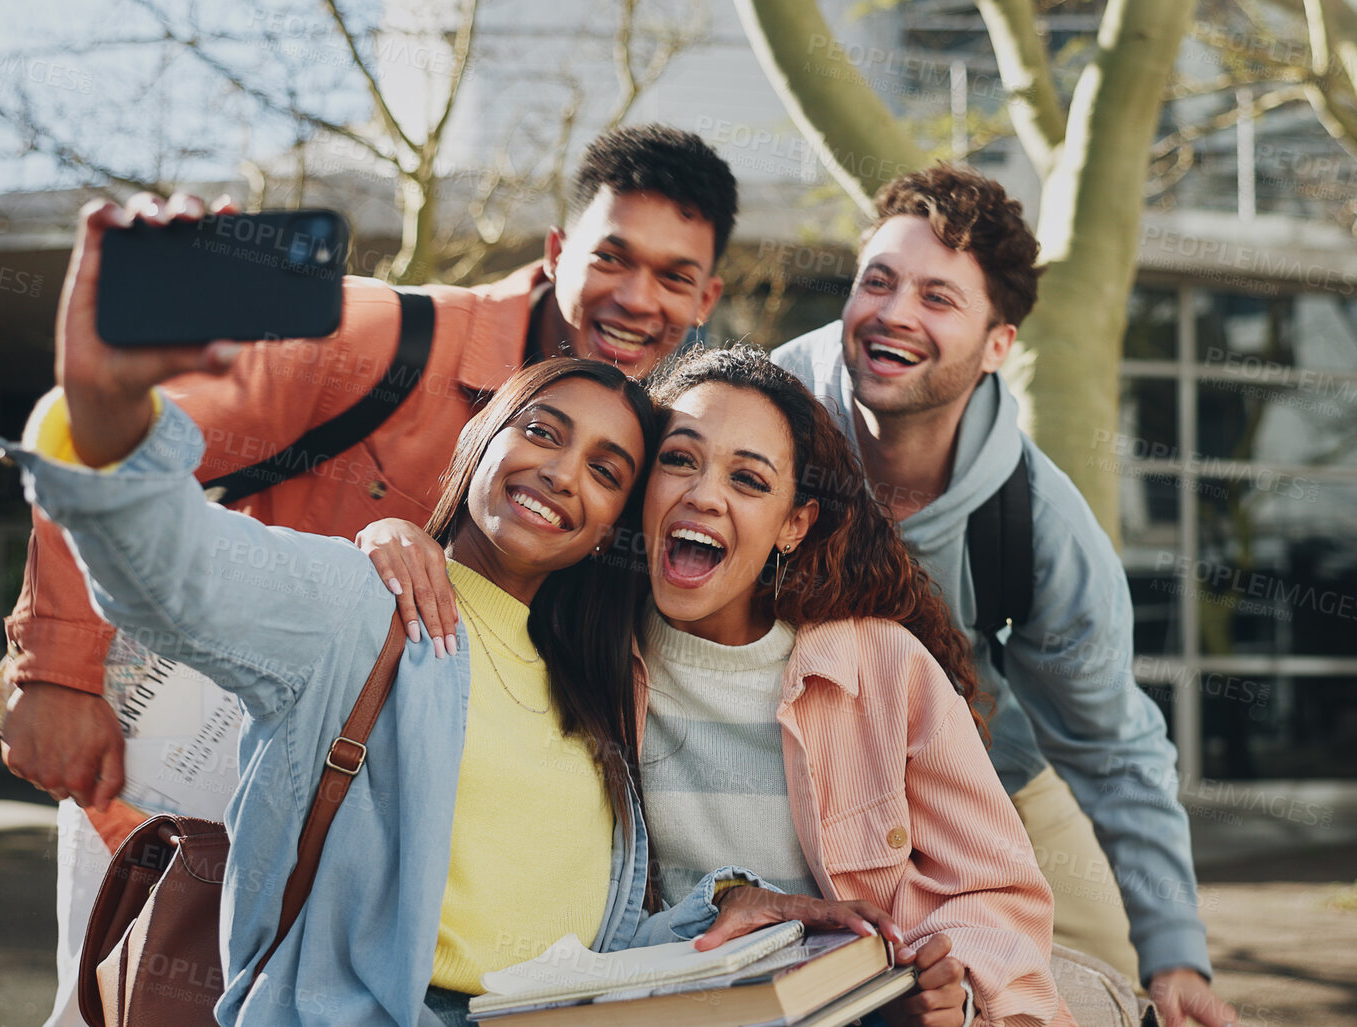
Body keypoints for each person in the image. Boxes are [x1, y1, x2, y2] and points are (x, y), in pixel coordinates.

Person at [0, 125, 738, 1027]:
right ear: (556, 252)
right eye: (612, 257)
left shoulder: (646, 436)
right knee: (131, 982)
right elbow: (133, 471)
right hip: (219, 706)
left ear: (707, 295)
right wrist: (58, 673)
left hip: (382, 811)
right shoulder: (385, 335)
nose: (634, 297)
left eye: (671, 275)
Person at [4, 305, 897, 1026]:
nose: (560, 474)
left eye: (606, 469)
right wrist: (108, 402)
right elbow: (161, 558)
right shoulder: (362, 605)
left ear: (613, 525)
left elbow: (589, 945)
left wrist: (725, 909)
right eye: (542, 432)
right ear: (481, 438)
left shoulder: (593, 685)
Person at [361, 347, 1074, 1027]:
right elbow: (482, 575)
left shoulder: (879, 670)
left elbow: (995, 891)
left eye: (749, 479)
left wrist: (954, 990)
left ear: (793, 524)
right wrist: (393, 535)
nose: (703, 495)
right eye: (679, 461)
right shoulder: (581, 647)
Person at [769, 165, 1237, 1027]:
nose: (894, 313)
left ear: (997, 344)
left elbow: (1115, 748)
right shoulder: (764, 415)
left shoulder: (1039, 528)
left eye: (937, 298)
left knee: (1110, 992)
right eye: (878, 280)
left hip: (993, 780)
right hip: (789, 766)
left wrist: (1175, 950)